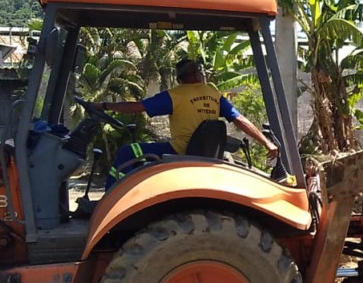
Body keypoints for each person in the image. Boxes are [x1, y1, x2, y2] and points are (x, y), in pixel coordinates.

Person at [99, 58, 283, 187]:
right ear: (198, 74)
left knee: (127, 152)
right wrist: (267, 143)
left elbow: (136, 107)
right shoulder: (213, 94)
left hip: (181, 151)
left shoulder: (175, 95)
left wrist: (105, 105)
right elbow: (239, 119)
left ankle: (109, 200)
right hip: (207, 154)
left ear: (179, 79)